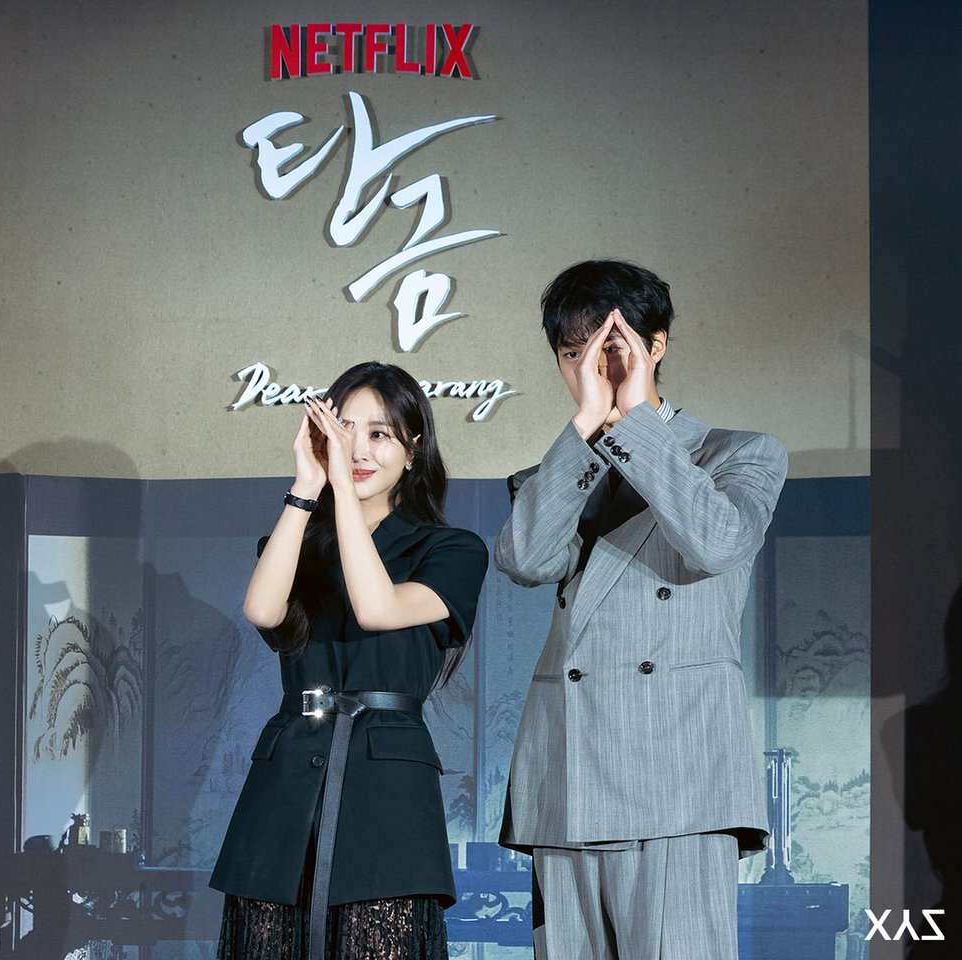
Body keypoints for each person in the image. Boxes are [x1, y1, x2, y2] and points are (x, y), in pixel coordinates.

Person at [495, 261, 788, 959]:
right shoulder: (554, 475)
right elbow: (525, 560)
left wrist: (634, 418)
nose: (591, 367)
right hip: (567, 774)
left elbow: (716, 543)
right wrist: (587, 427)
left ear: (656, 345)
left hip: (680, 776)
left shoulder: (738, 455)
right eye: (573, 353)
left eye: (610, 347)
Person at [210, 361, 489, 960]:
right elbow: (261, 610)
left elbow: (377, 607)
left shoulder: (451, 550)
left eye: (379, 434)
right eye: (344, 430)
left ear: (413, 450)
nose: (357, 450)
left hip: (387, 792)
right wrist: (307, 487)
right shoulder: (295, 543)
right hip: (285, 784)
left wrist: (340, 480)